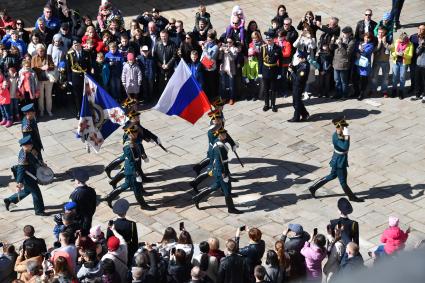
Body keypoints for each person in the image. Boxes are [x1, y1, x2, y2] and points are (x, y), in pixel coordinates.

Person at [308, 117, 364, 202]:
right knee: (343, 181)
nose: (346, 128)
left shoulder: (338, 135)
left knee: (332, 175)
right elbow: (345, 147)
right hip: (339, 162)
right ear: (339, 127)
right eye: (344, 127)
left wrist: (345, 135)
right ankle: (351, 197)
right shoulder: (336, 137)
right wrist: (347, 137)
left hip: (338, 159)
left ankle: (313, 188)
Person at [192, 128, 242, 214]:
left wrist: (233, 144)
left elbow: (227, 139)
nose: (225, 136)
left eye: (225, 134)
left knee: (215, 186)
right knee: (227, 189)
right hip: (221, 171)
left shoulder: (218, 140)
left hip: (219, 170)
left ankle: (197, 198)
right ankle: (231, 208)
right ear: (219, 135)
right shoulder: (220, 147)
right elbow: (219, 162)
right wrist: (223, 174)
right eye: (223, 135)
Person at [105, 125, 155, 210]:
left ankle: (110, 197)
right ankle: (143, 205)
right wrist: (136, 173)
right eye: (134, 133)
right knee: (137, 188)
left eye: (136, 133)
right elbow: (132, 161)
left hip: (131, 169)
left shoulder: (134, 141)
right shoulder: (128, 147)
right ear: (130, 134)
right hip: (132, 171)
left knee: (126, 185)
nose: (136, 134)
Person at [4, 136, 46, 215]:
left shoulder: (30, 150)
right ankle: (39, 211)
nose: (31, 146)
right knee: (36, 193)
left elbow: (36, 158)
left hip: (31, 174)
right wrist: (19, 182)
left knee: (27, 191)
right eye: (29, 145)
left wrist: (42, 163)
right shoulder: (23, 156)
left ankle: (9, 200)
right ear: (25, 146)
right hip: (27, 178)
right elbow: (21, 169)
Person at [106, 198, 139, 265]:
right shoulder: (132, 224)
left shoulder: (112, 225)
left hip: (115, 249)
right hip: (128, 248)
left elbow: (108, 239)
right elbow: (135, 241)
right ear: (125, 212)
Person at [66, 38, 91, 119]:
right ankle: (79, 111)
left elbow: (89, 66)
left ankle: (87, 110)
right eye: (74, 45)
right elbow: (68, 68)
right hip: (75, 77)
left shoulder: (86, 53)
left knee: (86, 95)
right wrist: (69, 79)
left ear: (81, 44)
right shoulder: (69, 54)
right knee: (77, 96)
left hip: (85, 76)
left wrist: (90, 77)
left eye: (77, 45)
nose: (76, 46)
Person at [258, 29, 282, 112]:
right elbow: (260, 61)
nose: (268, 41)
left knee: (273, 89)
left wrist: (280, 72)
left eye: (270, 39)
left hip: (274, 70)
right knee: (266, 89)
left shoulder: (278, 48)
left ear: (273, 39)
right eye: (267, 40)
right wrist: (260, 72)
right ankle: (266, 104)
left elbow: (281, 61)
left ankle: (273, 105)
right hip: (265, 70)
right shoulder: (263, 48)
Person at [31, 43, 55, 117]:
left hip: (48, 79)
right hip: (39, 80)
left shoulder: (48, 56)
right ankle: (41, 110)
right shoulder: (34, 58)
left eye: (42, 51)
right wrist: (41, 68)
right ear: (37, 51)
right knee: (41, 97)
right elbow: (32, 69)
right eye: (40, 51)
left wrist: (48, 67)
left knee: (48, 96)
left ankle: (49, 110)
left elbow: (53, 66)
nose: (41, 52)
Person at [331, 26, 355, 99]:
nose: (343, 34)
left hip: (344, 64)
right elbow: (331, 48)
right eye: (343, 33)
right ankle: (338, 93)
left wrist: (340, 45)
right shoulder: (339, 39)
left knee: (343, 81)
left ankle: (344, 95)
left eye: (345, 33)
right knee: (336, 80)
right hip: (336, 63)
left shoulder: (351, 42)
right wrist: (332, 42)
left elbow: (346, 54)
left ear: (350, 34)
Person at [288, 51, 310, 122]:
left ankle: (296, 117)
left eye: (300, 58)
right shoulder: (302, 63)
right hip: (295, 85)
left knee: (296, 103)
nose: (298, 59)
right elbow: (296, 67)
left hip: (299, 86)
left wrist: (291, 72)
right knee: (297, 102)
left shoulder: (305, 67)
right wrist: (292, 66)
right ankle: (305, 114)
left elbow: (298, 79)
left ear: (304, 58)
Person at [390, 32, 414, 99]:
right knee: (394, 77)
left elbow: (410, 55)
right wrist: (396, 53)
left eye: (402, 42)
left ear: (405, 40)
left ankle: (401, 91)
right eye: (400, 41)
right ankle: (394, 90)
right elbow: (392, 52)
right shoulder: (397, 42)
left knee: (402, 78)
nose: (400, 42)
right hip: (396, 62)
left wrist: (403, 55)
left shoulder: (410, 44)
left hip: (404, 63)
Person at [154, 30, 177, 96]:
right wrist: (160, 64)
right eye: (161, 36)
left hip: (169, 68)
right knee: (160, 84)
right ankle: (161, 97)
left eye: (164, 36)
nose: (163, 38)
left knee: (169, 83)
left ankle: (170, 96)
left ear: (167, 36)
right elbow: (155, 56)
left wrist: (168, 65)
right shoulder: (157, 44)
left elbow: (174, 56)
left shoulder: (172, 44)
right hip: (160, 68)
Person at [353, 32, 374, 101]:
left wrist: (360, 51)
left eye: (368, 38)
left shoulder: (371, 45)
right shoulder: (360, 43)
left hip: (364, 66)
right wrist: (359, 51)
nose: (366, 39)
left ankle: (361, 94)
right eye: (365, 37)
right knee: (355, 79)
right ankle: (356, 92)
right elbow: (355, 50)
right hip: (357, 64)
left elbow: (365, 53)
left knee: (363, 80)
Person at [371, 27, 391, 98]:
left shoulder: (389, 38)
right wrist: (379, 43)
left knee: (385, 78)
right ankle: (373, 90)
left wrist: (385, 43)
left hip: (385, 61)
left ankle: (384, 91)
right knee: (374, 77)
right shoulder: (375, 39)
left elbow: (392, 48)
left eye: (382, 32)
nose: (380, 34)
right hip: (376, 61)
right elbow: (373, 50)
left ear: (385, 32)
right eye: (379, 32)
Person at [411, 25, 425, 102]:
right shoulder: (414, 37)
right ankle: (417, 95)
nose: (420, 30)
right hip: (418, 63)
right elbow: (416, 52)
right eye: (419, 29)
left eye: (422, 29)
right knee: (417, 80)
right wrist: (420, 46)